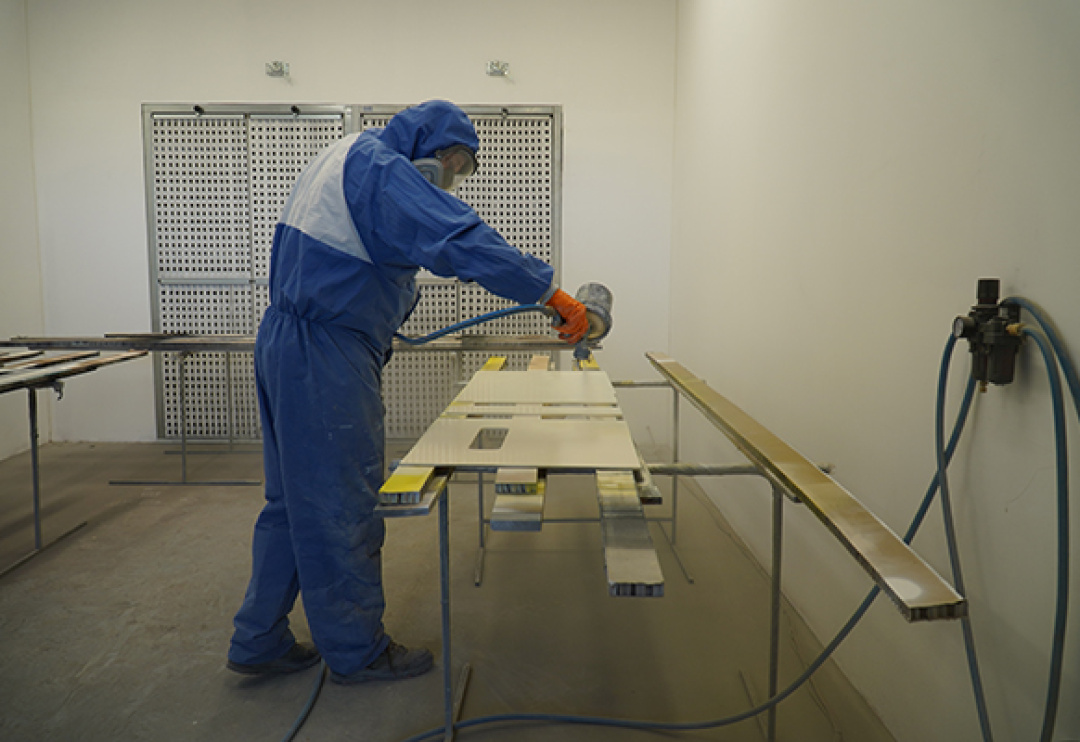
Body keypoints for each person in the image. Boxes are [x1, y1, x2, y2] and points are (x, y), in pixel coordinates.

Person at [226, 100, 589, 684]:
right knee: (341, 504)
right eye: (453, 163)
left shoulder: (343, 155)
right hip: (326, 353)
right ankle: (357, 652)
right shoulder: (380, 168)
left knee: (292, 502)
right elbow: (458, 237)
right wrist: (550, 293)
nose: (451, 177)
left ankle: (258, 637)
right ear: (428, 146)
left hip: (288, 341)